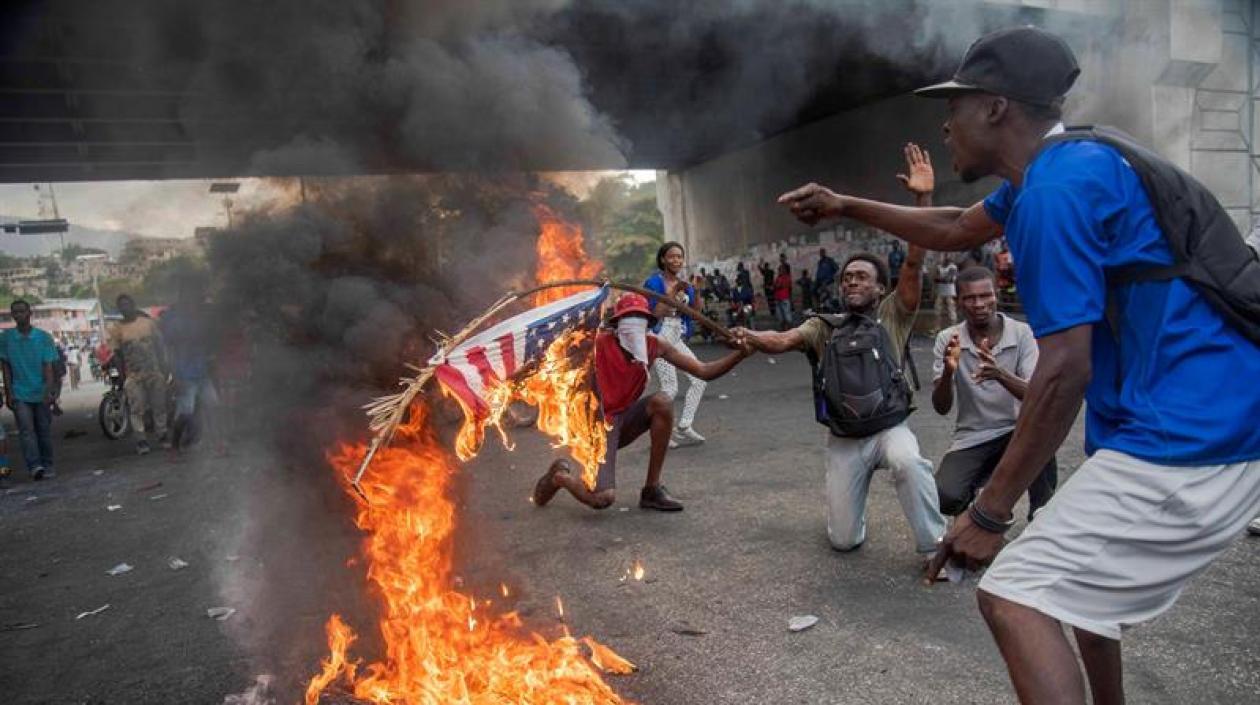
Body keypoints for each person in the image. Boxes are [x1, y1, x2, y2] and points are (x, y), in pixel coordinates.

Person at [776, 26, 1260, 705]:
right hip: (1200, 425)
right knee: (1080, 594)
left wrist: (992, 511)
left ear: (997, 107)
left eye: (957, 105)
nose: (945, 124)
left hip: (1192, 438)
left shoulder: (1055, 193)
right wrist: (846, 203)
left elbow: (1064, 370)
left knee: (1012, 593)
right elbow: (953, 227)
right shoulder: (1072, 163)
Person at [740, 142, 944, 556]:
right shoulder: (822, 326)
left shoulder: (894, 314)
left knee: (907, 461)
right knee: (844, 540)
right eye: (848, 277)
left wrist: (922, 198)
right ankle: (853, 518)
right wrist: (749, 338)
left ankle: (934, 542)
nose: (851, 282)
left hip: (890, 427)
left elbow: (913, 263)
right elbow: (780, 341)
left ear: (879, 287)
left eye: (862, 277)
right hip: (844, 438)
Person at [531, 293, 751, 512]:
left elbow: (703, 371)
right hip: (596, 428)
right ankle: (560, 477)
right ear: (616, 325)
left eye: (640, 317)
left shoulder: (655, 345)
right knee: (603, 498)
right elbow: (553, 352)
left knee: (662, 402)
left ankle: (652, 490)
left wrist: (739, 355)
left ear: (648, 324)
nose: (634, 323)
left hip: (625, 420)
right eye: (628, 317)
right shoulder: (597, 343)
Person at [932, 266, 1056, 521]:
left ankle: (1040, 516)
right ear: (958, 301)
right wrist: (947, 372)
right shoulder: (948, 339)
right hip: (974, 435)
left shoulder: (1022, 333)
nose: (979, 304)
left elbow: (1037, 395)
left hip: (1019, 430)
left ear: (996, 295)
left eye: (985, 295)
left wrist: (999, 374)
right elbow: (941, 407)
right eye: (969, 297)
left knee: (1041, 431)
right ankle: (976, 505)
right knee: (944, 496)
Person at [644, 242, 709, 448]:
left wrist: (697, 291)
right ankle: (661, 430)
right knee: (670, 388)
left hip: (676, 337)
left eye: (679, 257)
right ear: (663, 259)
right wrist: (673, 293)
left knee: (700, 379)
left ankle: (685, 425)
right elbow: (655, 313)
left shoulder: (685, 284)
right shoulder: (653, 283)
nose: (676, 261)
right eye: (671, 257)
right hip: (660, 338)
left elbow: (696, 314)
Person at [161, 281, 222, 454]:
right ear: (182, 298)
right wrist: (175, 376)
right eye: (188, 296)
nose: (193, 300)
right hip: (185, 375)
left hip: (202, 373)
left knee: (214, 407)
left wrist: (212, 363)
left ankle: (218, 444)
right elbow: (170, 350)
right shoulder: (174, 321)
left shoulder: (201, 318)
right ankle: (174, 446)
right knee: (185, 413)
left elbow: (208, 343)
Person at [0, 300, 58, 480]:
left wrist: (49, 391)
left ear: (29, 313)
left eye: (21, 311)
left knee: (43, 429)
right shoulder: (6, 339)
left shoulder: (43, 338)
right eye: (15, 312)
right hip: (20, 392)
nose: (18, 315)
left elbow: (48, 367)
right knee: (26, 430)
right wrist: (9, 393)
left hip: (40, 391)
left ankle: (48, 463)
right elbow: (6, 367)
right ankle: (35, 466)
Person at [109, 294, 170, 455]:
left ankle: (162, 435)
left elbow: (160, 346)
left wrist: (165, 368)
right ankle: (141, 440)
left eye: (127, 304)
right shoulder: (117, 329)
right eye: (121, 305)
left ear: (133, 305)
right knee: (137, 409)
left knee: (159, 406)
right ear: (119, 309)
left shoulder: (149, 324)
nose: (125, 307)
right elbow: (116, 354)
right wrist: (122, 376)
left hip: (153, 370)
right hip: (133, 375)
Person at [934, 256, 958, 332]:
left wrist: (941, 278)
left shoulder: (953, 267)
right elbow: (935, 278)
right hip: (940, 291)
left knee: (951, 310)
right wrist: (942, 279)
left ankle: (954, 328)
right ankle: (937, 328)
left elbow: (949, 279)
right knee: (937, 310)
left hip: (949, 292)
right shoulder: (939, 267)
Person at [772, 262, 793, 330]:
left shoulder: (786, 277)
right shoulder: (778, 278)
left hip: (784, 299)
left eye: (780, 269)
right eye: (779, 269)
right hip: (778, 299)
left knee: (787, 317)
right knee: (780, 318)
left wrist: (775, 286)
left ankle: (790, 330)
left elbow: (779, 286)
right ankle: (783, 331)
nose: (779, 271)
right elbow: (775, 285)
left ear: (784, 270)